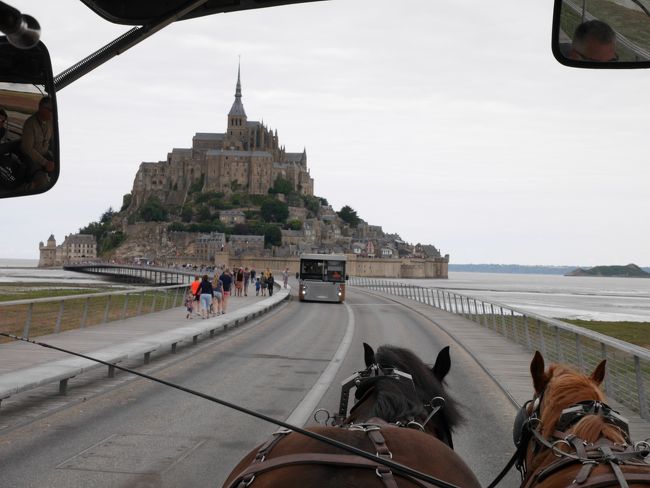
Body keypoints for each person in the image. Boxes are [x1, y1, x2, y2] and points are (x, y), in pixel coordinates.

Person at [20, 96, 55, 190]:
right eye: (51, 110)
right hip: (31, 159)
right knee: (43, 184)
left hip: (45, 155)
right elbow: (27, 148)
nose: (53, 113)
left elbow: (53, 140)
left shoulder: (50, 122)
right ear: (42, 108)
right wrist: (45, 162)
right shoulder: (30, 123)